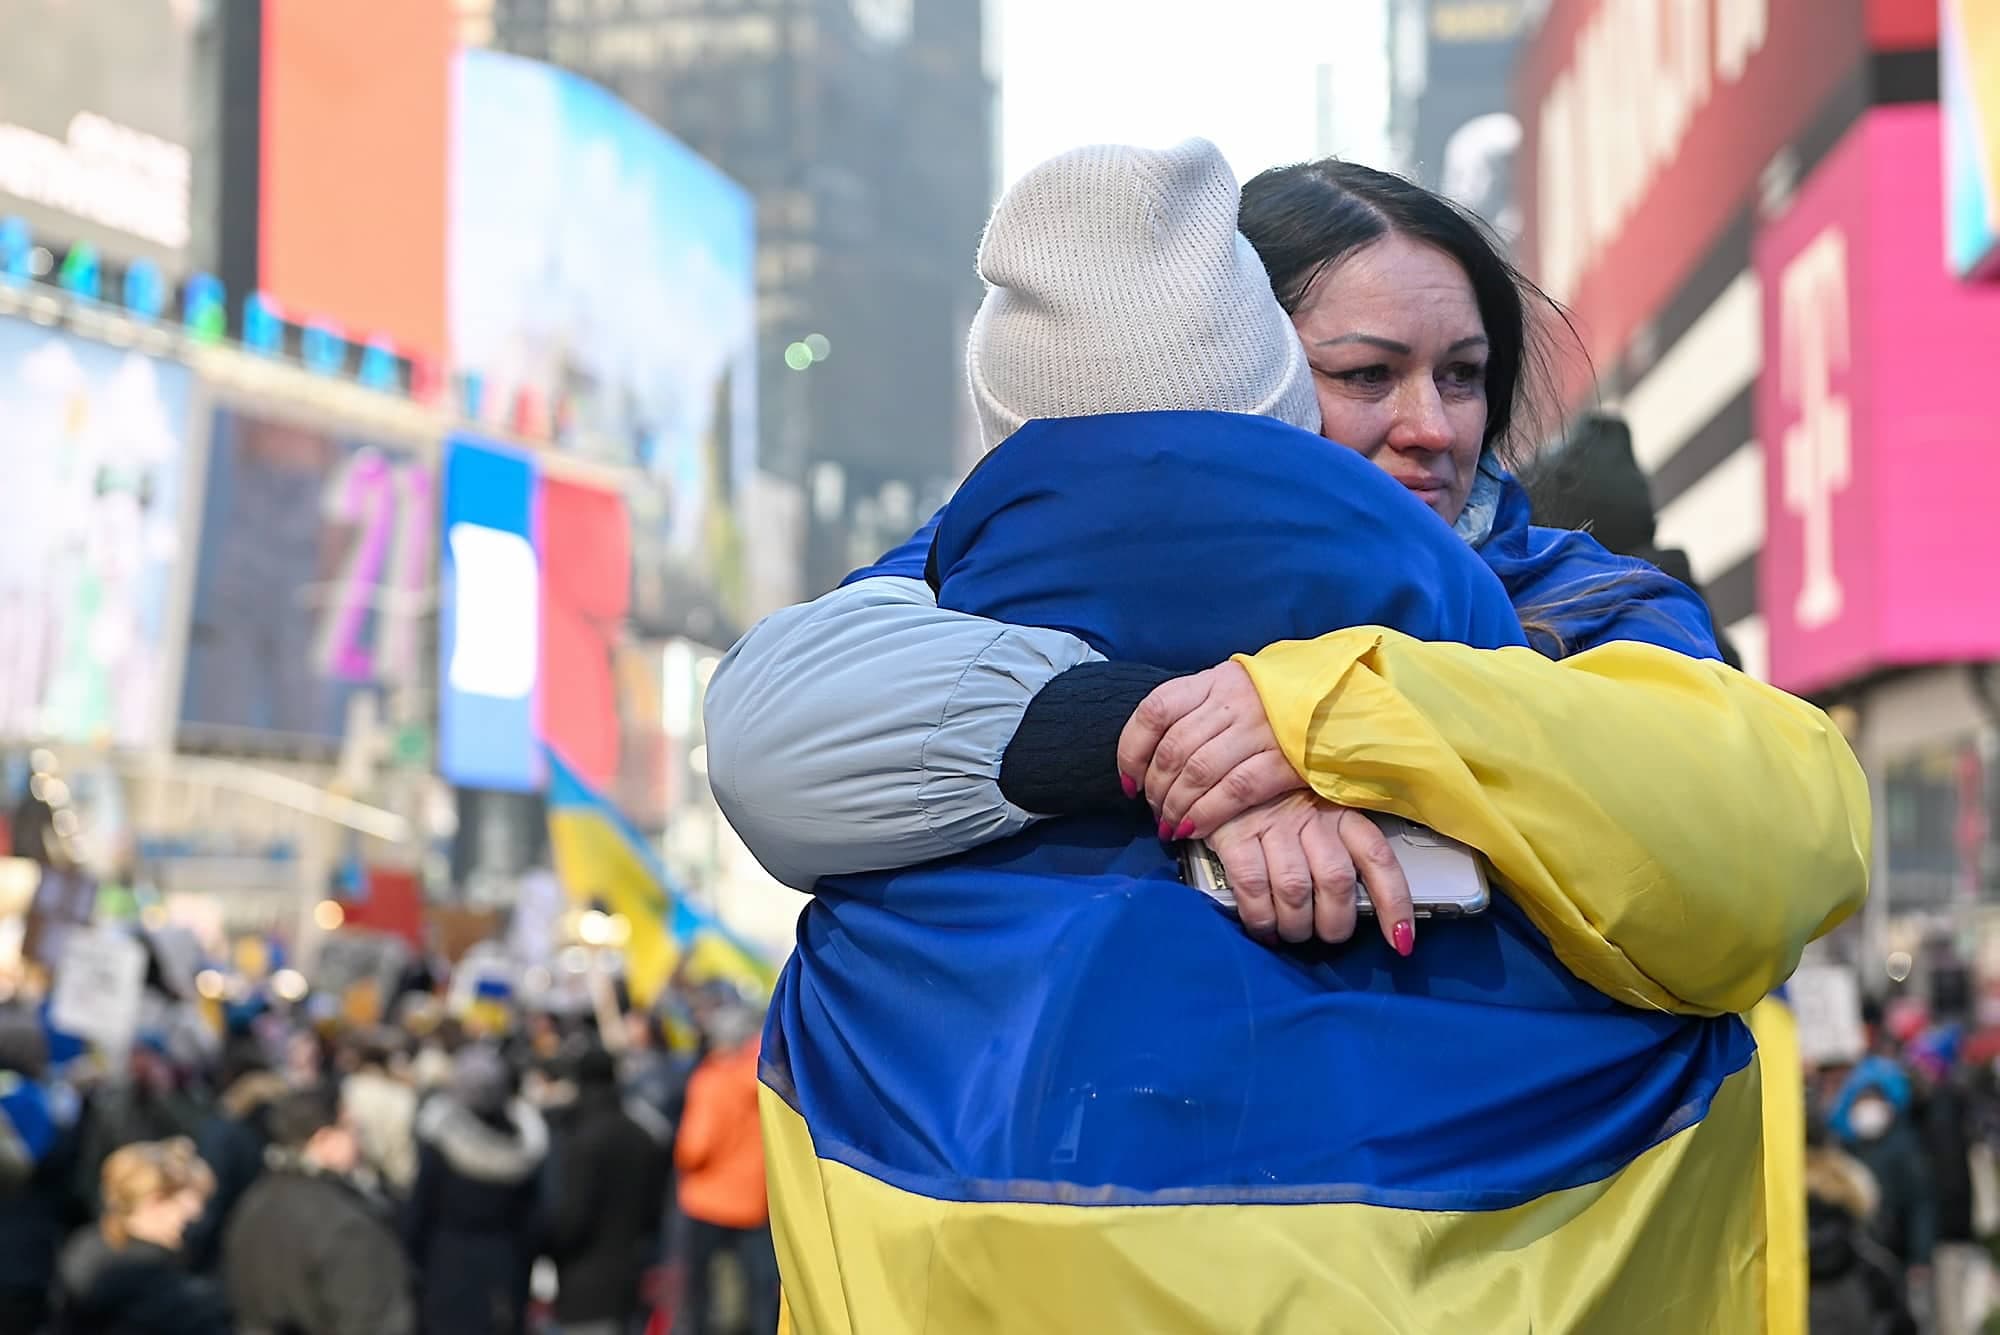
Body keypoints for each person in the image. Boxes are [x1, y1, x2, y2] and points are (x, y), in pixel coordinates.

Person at [710, 141, 1869, 1332]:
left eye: (1462, 375)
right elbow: (774, 724)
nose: (1430, 426)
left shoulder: (1576, 600)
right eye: (1366, 375)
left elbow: (1773, 827)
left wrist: (1328, 716)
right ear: (1238, 369)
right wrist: (1176, 741)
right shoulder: (994, 573)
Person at [224, 1085, 417, 1335]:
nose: (359, 1138)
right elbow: (378, 1321)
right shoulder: (345, 1222)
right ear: (324, 1138)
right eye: (350, 1128)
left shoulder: (252, 1202)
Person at [403, 1043, 546, 1335]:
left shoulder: (438, 1143)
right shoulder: (524, 1146)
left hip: (447, 1267)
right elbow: (535, 1222)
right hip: (504, 1270)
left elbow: (419, 1211)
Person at [543, 1043, 671, 1335]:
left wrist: (545, 1245)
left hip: (584, 1284)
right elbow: (654, 1211)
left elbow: (572, 1219)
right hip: (632, 1276)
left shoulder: (581, 1140)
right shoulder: (642, 1136)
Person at [674, 989, 776, 1335]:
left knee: (699, 1293)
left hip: (707, 1200)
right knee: (760, 1290)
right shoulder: (767, 1079)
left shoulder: (711, 1079)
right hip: (753, 1200)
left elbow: (694, 1147)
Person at [56, 1137, 231, 1335]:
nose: (198, 1214)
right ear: (155, 1201)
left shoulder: (84, 1247)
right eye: (191, 1202)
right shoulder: (161, 1287)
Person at [1836, 1058, 1939, 1280]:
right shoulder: (1846, 1148)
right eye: (1861, 1101)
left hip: (1896, 1251)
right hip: (1855, 1255)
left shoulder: (1905, 1147)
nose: (1866, 1109)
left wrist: (1920, 1257)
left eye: (1873, 1100)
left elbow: (1920, 1205)